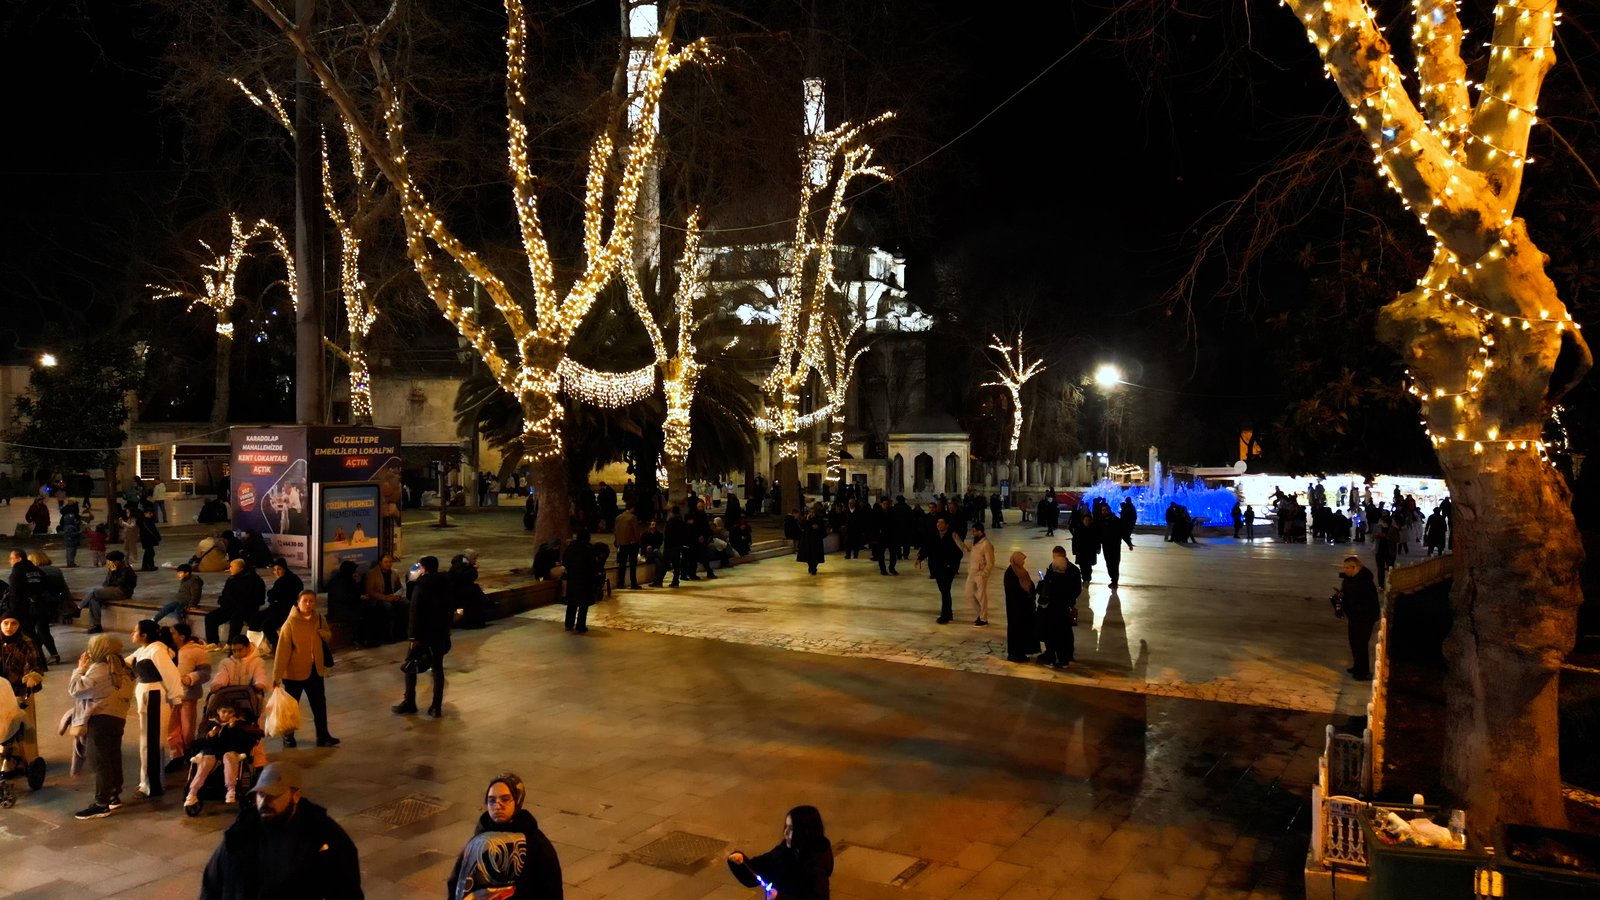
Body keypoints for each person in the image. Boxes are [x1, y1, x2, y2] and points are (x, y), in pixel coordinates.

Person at [199, 762, 363, 899]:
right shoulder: (240, 834)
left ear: (296, 795)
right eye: (260, 794)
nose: (264, 802)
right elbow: (212, 885)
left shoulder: (324, 836)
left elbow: (348, 892)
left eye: (273, 795)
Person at [446, 773, 564, 900]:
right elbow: (457, 883)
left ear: (517, 801)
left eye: (505, 799)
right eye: (491, 800)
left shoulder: (536, 843)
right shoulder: (477, 841)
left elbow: (552, 889)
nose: (497, 806)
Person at [70, 633, 135, 818]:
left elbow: (76, 689)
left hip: (100, 718)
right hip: (117, 717)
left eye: (92, 647)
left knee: (100, 761)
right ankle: (114, 796)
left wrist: (80, 669)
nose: (89, 651)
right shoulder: (124, 667)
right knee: (113, 757)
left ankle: (101, 804)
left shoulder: (101, 668)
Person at [272, 591, 339, 749]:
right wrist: (277, 675)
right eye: (305, 601)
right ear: (298, 602)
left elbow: (328, 635)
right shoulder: (290, 623)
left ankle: (323, 736)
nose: (308, 604)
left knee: (319, 704)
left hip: (315, 670)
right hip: (294, 673)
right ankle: (288, 736)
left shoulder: (319, 618)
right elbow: (282, 651)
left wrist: (325, 634)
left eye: (311, 601)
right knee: (291, 707)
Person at [125, 619, 184, 797]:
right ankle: (147, 782)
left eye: (135, 631)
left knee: (152, 741)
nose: (132, 634)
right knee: (146, 741)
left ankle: (152, 785)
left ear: (144, 635)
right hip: (146, 696)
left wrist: (176, 698)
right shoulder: (144, 649)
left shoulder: (157, 650)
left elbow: (172, 675)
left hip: (154, 696)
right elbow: (126, 662)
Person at [727, 805, 834, 900]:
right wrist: (742, 862)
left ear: (804, 832)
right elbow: (762, 867)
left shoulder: (816, 869)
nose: (785, 833)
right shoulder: (786, 850)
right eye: (786, 826)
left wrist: (779, 898)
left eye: (791, 828)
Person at [395, 556, 452, 717]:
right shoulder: (445, 583)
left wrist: (413, 637)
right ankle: (436, 706)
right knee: (438, 669)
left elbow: (415, 611)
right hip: (440, 632)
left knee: (411, 666)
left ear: (424, 568)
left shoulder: (422, 585)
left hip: (423, 634)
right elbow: (450, 607)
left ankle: (409, 702)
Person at [183, 700, 260, 812]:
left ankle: (231, 789)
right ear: (218, 711)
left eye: (230, 712)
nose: (226, 715)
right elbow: (199, 741)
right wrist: (210, 735)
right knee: (205, 763)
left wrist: (232, 728)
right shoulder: (209, 724)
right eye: (224, 712)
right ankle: (193, 792)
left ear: (234, 713)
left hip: (230, 751)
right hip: (212, 751)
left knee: (229, 758)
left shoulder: (239, 724)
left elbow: (241, 742)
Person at [0, 612, 46, 772]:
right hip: (2, 693)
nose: (9, 627)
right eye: (5, 623)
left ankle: (29, 761)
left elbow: (34, 665)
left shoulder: (26, 642)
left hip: (21, 692)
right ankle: (8, 760)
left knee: (26, 729)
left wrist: (32, 677)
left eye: (14, 623)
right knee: (3, 728)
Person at [167, 622, 210, 766]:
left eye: (173, 633)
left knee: (187, 728)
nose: (170, 635)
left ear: (182, 636)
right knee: (172, 728)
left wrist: (191, 678)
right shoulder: (168, 650)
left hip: (187, 695)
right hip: (171, 695)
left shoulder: (196, 651)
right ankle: (176, 755)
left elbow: (205, 673)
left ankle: (187, 752)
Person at [1335, 555, 1381, 681]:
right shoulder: (1351, 579)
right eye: (1344, 567)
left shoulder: (1364, 581)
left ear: (1354, 567)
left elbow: (1361, 599)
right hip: (1355, 616)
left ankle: (1363, 672)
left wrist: (1346, 599)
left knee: (1361, 643)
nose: (1344, 570)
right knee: (1354, 642)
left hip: (1364, 617)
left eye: (1347, 568)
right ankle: (1357, 667)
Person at [1035, 546, 1081, 669]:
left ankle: (1054, 658)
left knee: (1054, 635)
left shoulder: (1055, 577)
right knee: (1064, 634)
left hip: (1053, 612)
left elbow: (1044, 592)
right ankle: (1064, 658)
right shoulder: (1066, 574)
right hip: (1063, 610)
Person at [205, 559, 265, 649]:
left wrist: (241, 604)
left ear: (241, 568)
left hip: (246, 609)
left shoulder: (255, 580)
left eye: (232, 567)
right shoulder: (232, 579)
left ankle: (230, 643)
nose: (230, 569)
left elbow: (259, 599)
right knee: (210, 617)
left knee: (236, 618)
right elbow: (225, 594)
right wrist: (222, 602)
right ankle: (213, 642)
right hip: (230, 607)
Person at [78, 550, 138, 634]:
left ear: (117, 561)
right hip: (112, 589)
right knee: (94, 599)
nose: (109, 563)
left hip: (123, 592)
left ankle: (78, 609)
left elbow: (120, 583)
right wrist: (111, 574)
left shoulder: (127, 570)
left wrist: (114, 573)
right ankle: (96, 625)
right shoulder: (113, 568)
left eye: (111, 561)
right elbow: (106, 582)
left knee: (94, 591)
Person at [917, 516, 964, 624]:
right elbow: (928, 548)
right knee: (944, 591)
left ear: (947, 525)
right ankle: (949, 614)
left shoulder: (953, 536)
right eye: (938, 522)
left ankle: (945, 616)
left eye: (941, 523)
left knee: (945, 590)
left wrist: (951, 564)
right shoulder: (934, 535)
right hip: (937, 568)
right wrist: (920, 558)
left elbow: (960, 552)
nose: (938, 524)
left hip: (948, 569)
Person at [362, 554, 409, 643]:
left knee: (406, 603)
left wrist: (397, 595)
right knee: (387, 607)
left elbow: (400, 587)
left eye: (390, 562)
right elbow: (370, 591)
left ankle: (402, 633)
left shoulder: (394, 573)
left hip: (392, 597)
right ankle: (388, 636)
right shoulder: (372, 574)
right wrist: (385, 598)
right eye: (386, 562)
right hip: (378, 599)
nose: (388, 564)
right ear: (380, 563)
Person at [26, 551, 64, 663]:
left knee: (41, 630)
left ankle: (47, 655)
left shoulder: (37, 572)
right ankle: (46, 654)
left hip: (42, 604)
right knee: (43, 630)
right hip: (54, 603)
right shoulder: (56, 570)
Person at [260, 558, 303, 653]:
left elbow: (278, 597)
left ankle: (278, 647)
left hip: (287, 610)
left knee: (267, 625)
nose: (277, 572)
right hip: (277, 607)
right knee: (255, 619)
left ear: (284, 568)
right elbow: (272, 595)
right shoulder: (281, 580)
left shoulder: (291, 580)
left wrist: (274, 597)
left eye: (279, 569)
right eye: (275, 570)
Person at [1003, 551, 1039, 663]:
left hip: (1025, 608)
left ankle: (1022, 652)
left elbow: (1030, 584)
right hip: (1016, 609)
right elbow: (1013, 590)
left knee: (1024, 630)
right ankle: (1015, 654)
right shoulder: (1010, 573)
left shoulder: (1022, 571)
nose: (1023, 562)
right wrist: (1025, 593)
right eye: (1022, 560)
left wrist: (1031, 591)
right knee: (1016, 630)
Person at [562, 532, 597, 634]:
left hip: (572, 579)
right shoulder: (588, 549)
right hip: (585, 580)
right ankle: (580, 626)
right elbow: (593, 565)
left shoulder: (571, 547)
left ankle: (568, 624)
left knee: (572, 603)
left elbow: (565, 561)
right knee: (583, 605)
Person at [963, 522, 994, 626]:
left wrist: (984, 573)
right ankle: (980, 614)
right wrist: (957, 540)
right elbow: (967, 548)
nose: (973, 533)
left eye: (974, 531)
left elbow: (990, 562)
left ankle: (984, 619)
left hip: (980, 574)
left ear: (980, 531)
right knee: (968, 594)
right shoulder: (974, 542)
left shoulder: (986, 544)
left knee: (982, 597)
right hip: (972, 573)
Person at [449, 551, 490, 629]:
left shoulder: (466, 564)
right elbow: (462, 577)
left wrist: (473, 569)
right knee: (474, 594)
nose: (475, 561)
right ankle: (487, 602)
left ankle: (486, 602)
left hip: (463, 588)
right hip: (457, 590)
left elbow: (470, 578)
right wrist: (474, 569)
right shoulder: (458, 564)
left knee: (475, 590)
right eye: (474, 559)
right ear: (470, 558)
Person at [613, 505, 642, 590]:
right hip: (632, 543)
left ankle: (620, 583)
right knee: (633, 564)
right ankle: (633, 583)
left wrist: (617, 541)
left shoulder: (618, 517)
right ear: (632, 508)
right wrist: (638, 541)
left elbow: (615, 530)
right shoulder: (633, 517)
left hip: (622, 544)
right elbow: (636, 531)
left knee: (622, 564)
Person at [1068, 507, 1098, 584]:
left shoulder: (1093, 530)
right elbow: (1074, 541)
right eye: (1085, 520)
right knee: (1082, 566)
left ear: (1091, 521)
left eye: (1088, 520)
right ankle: (1085, 578)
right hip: (1081, 552)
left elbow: (1097, 540)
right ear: (1083, 521)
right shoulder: (1079, 530)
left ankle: (1087, 578)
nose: (1087, 522)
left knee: (1088, 566)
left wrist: (1097, 549)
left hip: (1090, 552)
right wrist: (1075, 551)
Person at [797, 506, 827, 576]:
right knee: (808, 555)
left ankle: (814, 568)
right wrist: (807, 520)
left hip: (816, 541)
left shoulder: (819, 519)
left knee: (815, 555)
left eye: (813, 512)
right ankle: (811, 566)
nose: (811, 513)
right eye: (810, 512)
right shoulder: (806, 518)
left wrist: (818, 527)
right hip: (807, 540)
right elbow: (802, 526)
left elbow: (823, 529)